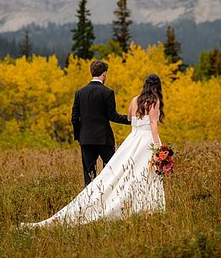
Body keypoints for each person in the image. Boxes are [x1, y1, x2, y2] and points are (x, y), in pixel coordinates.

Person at [29, 72, 168, 227]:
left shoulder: (135, 100)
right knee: (145, 174)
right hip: (147, 140)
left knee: (126, 172)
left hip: (132, 139)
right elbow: (153, 123)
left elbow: (130, 119)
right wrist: (157, 146)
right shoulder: (154, 101)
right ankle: (144, 206)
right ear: (157, 87)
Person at [68, 58, 130, 185]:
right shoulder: (107, 92)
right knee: (111, 170)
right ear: (104, 73)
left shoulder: (80, 93)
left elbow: (74, 118)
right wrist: (131, 120)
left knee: (89, 174)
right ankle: (108, 194)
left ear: (91, 72)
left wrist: (79, 136)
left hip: (86, 138)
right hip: (104, 139)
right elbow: (113, 116)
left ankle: (90, 196)